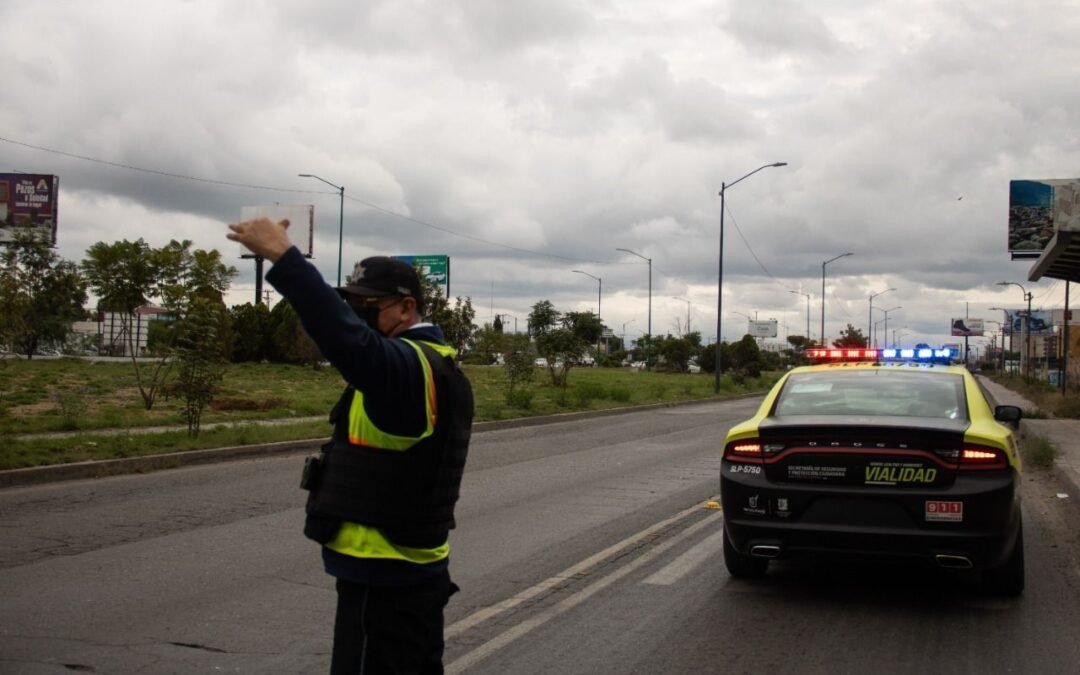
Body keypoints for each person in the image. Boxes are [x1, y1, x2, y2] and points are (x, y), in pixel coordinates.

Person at [227, 217, 474, 674]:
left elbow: (346, 340)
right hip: (393, 576)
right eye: (352, 303)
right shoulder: (424, 365)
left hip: (387, 580)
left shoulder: (405, 369)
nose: (357, 313)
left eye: (368, 305)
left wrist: (285, 259)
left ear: (406, 309)